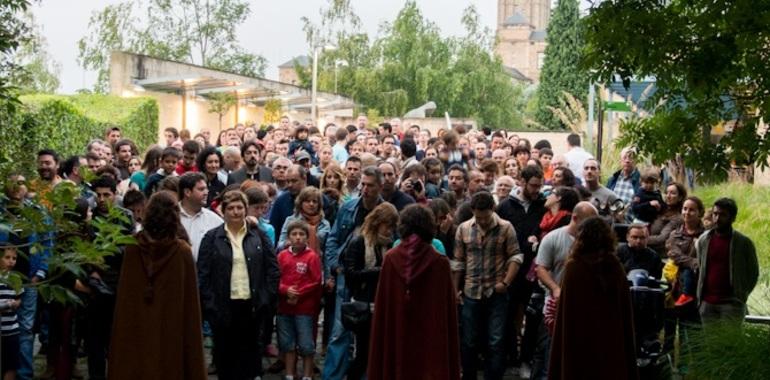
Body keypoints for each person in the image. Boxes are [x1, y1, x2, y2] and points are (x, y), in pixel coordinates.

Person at [108, 191, 207, 380]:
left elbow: (125, 304)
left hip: (138, 331)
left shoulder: (131, 246)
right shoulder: (182, 251)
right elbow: (190, 310)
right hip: (172, 332)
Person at [368, 204, 461, 380]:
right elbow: (446, 313)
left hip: (397, 333)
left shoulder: (391, 258)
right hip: (430, 340)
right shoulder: (440, 262)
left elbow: (384, 310)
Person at [197, 190, 279, 380]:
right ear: (223, 211)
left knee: (250, 359)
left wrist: (266, 298)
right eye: (231, 208)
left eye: (239, 207)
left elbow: (272, 269)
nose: (236, 212)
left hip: (252, 306)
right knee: (226, 359)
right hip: (223, 307)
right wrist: (210, 305)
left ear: (245, 209)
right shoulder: (211, 238)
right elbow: (203, 274)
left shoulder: (258, 235)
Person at [548, 216, 638, 380]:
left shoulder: (574, 267)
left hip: (579, 343)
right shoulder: (614, 266)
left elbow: (567, 318)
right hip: (610, 340)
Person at [452, 191, 522, 380]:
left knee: (495, 341)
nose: (482, 221)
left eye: (485, 217)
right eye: (478, 217)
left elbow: (516, 256)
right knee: (469, 341)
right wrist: (455, 288)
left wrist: (506, 282)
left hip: (496, 290)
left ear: (492, 210)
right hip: (471, 290)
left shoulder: (505, 227)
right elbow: (458, 261)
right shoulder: (464, 228)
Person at [323, 166, 384, 380]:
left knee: (371, 334)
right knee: (340, 331)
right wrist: (333, 265)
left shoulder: (386, 213)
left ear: (380, 186)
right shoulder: (348, 207)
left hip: (374, 280)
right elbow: (332, 238)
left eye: (370, 185)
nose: (365, 189)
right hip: (347, 276)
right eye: (363, 185)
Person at [531, 202, 598, 380]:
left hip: (584, 306)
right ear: (575, 218)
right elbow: (541, 269)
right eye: (588, 222)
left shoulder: (593, 242)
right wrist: (555, 288)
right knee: (549, 348)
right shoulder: (553, 238)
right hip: (555, 304)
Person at [342, 203, 399, 379]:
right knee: (363, 354)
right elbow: (351, 274)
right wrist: (378, 271)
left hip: (383, 303)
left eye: (392, 226)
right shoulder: (359, 241)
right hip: (364, 304)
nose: (389, 230)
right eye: (387, 225)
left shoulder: (390, 244)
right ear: (377, 223)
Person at [695, 198, 758, 324]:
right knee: (710, 343)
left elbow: (753, 273)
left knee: (731, 343)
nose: (717, 218)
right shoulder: (703, 240)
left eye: (723, 215)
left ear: (733, 218)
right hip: (707, 304)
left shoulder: (743, 243)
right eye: (715, 214)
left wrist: (741, 296)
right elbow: (701, 267)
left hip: (732, 304)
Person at [276, 220, 323, 380]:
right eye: (294, 234)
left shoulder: (312, 257)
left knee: (306, 343)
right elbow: (276, 277)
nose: (298, 238)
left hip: (304, 308)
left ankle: (307, 374)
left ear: (307, 237)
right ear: (288, 237)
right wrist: (284, 290)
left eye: (301, 234)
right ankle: (290, 373)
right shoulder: (282, 256)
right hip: (284, 307)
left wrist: (299, 292)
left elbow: (316, 280)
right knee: (287, 342)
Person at [666, 196, 705, 307]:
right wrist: (695, 263)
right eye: (685, 209)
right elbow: (674, 255)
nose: (687, 212)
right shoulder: (674, 234)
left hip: (700, 285)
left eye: (691, 210)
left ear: (700, 212)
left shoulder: (707, 235)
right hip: (676, 284)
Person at [178, 173, 223, 262]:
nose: (206, 192)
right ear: (187, 192)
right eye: (201, 189)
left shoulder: (214, 220)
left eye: (206, 188)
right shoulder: (170, 216)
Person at [0, 241, 22, 380]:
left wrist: (15, 303)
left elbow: (19, 298)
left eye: (14, 258)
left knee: (11, 365)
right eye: (7, 257)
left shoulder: (16, 278)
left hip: (11, 330)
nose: (11, 261)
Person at [648, 182, 686, 257]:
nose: (668, 196)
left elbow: (662, 239)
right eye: (666, 192)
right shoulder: (660, 209)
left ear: (680, 197)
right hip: (646, 246)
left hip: (658, 253)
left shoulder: (677, 218)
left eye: (672, 193)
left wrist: (641, 238)